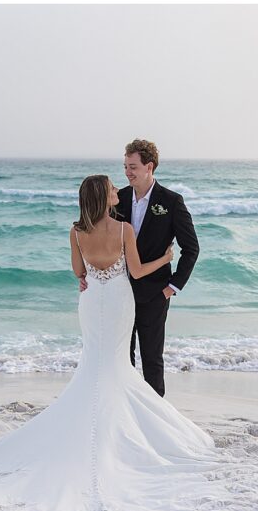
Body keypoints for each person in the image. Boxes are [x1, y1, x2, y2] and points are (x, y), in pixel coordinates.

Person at [0, 174, 236, 511]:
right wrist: (166, 258)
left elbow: (79, 273)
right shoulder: (123, 231)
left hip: (91, 304)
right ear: (104, 198)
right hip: (120, 302)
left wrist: (91, 275)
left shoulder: (75, 232)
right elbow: (135, 271)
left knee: (95, 367)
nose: (119, 190)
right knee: (118, 367)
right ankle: (124, 439)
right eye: (113, 189)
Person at [79, 139, 200, 397]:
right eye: (125, 166)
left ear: (150, 167)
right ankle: (127, 414)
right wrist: (89, 274)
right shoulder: (117, 198)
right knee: (123, 358)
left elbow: (191, 249)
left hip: (155, 294)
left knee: (152, 359)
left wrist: (172, 287)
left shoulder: (171, 201)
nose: (127, 172)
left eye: (133, 166)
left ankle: (157, 419)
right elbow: (98, 235)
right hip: (119, 292)